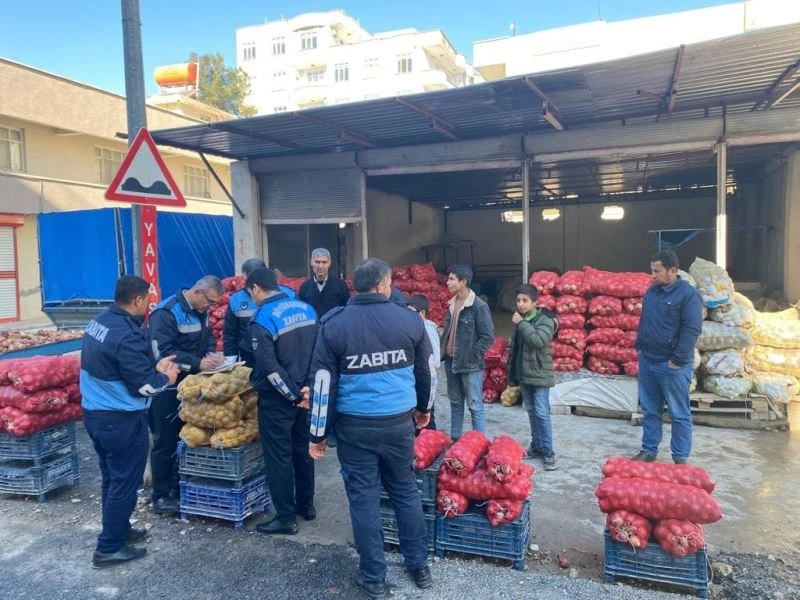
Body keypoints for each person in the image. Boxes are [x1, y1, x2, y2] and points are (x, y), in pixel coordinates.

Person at [307, 258, 435, 600]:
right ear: (383, 284)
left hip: (355, 429)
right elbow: (426, 371)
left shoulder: (334, 324)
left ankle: (374, 577)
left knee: (364, 499)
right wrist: (424, 409)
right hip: (399, 425)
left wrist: (317, 434)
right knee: (405, 491)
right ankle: (419, 566)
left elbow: (322, 385)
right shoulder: (410, 320)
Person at [80, 275, 180, 568]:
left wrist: (153, 367)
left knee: (113, 479)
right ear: (138, 300)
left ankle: (119, 530)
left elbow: (121, 366)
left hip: (96, 414)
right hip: (120, 419)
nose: (148, 304)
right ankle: (109, 547)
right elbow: (144, 387)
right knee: (124, 482)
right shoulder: (126, 334)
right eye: (147, 299)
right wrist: (166, 377)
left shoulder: (100, 321)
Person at [247, 267, 318, 535]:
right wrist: (307, 390)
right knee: (303, 450)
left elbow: (269, 367)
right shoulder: (307, 309)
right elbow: (318, 352)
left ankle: (286, 518)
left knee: (279, 457)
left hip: (279, 400)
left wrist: (292, 395)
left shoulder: (262, 318)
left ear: (256, 288)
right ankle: (306, 506)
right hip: (306, 396)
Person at [146, 276, 226, 515]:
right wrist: (198, 363)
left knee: (186, 436)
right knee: (164, 439)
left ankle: (179, 486)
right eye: (210, 302)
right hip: (167, 387)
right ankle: (160, 496)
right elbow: (163, 353)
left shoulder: (201, 311)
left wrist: (211, 355)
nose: (211, 308)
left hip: (191, 386)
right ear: (198, 292)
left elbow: (207, 338)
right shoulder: (166, 313)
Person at [634, 250, 703, 464]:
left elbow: (691, 329)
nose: (653, 275)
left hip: (672, 365)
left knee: (678, 413)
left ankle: (680, 457)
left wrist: (677, 360)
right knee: (649, 410)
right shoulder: (652, 292)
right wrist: (640, 348)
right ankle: (649, 450)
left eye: (657, 271)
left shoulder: (688, 295)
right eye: (652, 270)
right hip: (648, 360)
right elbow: (645, 322)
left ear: (673, 271)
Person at [440, 264, 495, 440]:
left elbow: (487, 336)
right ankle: (455, 439)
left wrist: (472, 355)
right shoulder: (451, 304)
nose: (447, 282)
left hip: (470, 364)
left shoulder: (478, 306)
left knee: (475, 405)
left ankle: (478, 443)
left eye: (451, 279)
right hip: (451, 361)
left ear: (463, 282)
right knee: (455, 403)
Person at [507, 284, 558, 470]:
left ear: (535, 302)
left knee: (542, 413)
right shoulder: (522, 319)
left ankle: (548, 452)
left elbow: (538, 341)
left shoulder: (546, 320)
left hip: (540, 374)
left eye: (525, 300)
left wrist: (521, 324)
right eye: (518, 300)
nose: (521, 304)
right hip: (524, 374)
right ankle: (536, 446)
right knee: (531, 411)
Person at [223, 258, 295, 366]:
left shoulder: (288, 294)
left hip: (282, 356)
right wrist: (230, 361)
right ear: (244, 277)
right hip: (250, 358)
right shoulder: (236, 300)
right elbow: (230, 334)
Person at [407, 294, 440, 430]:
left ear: (422, 313)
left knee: (427, 419)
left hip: (425, 381)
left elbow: (433, 360)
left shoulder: (427, 330)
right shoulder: (416, 328)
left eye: (412, 312)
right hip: (418, 380)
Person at [297, 248, 350, 318]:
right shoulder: (304, 288)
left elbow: (346, 311)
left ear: (329, 263)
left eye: (324, 262)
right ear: (311, 263)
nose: (320, 266)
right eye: (317, 262)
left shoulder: (340, 286)